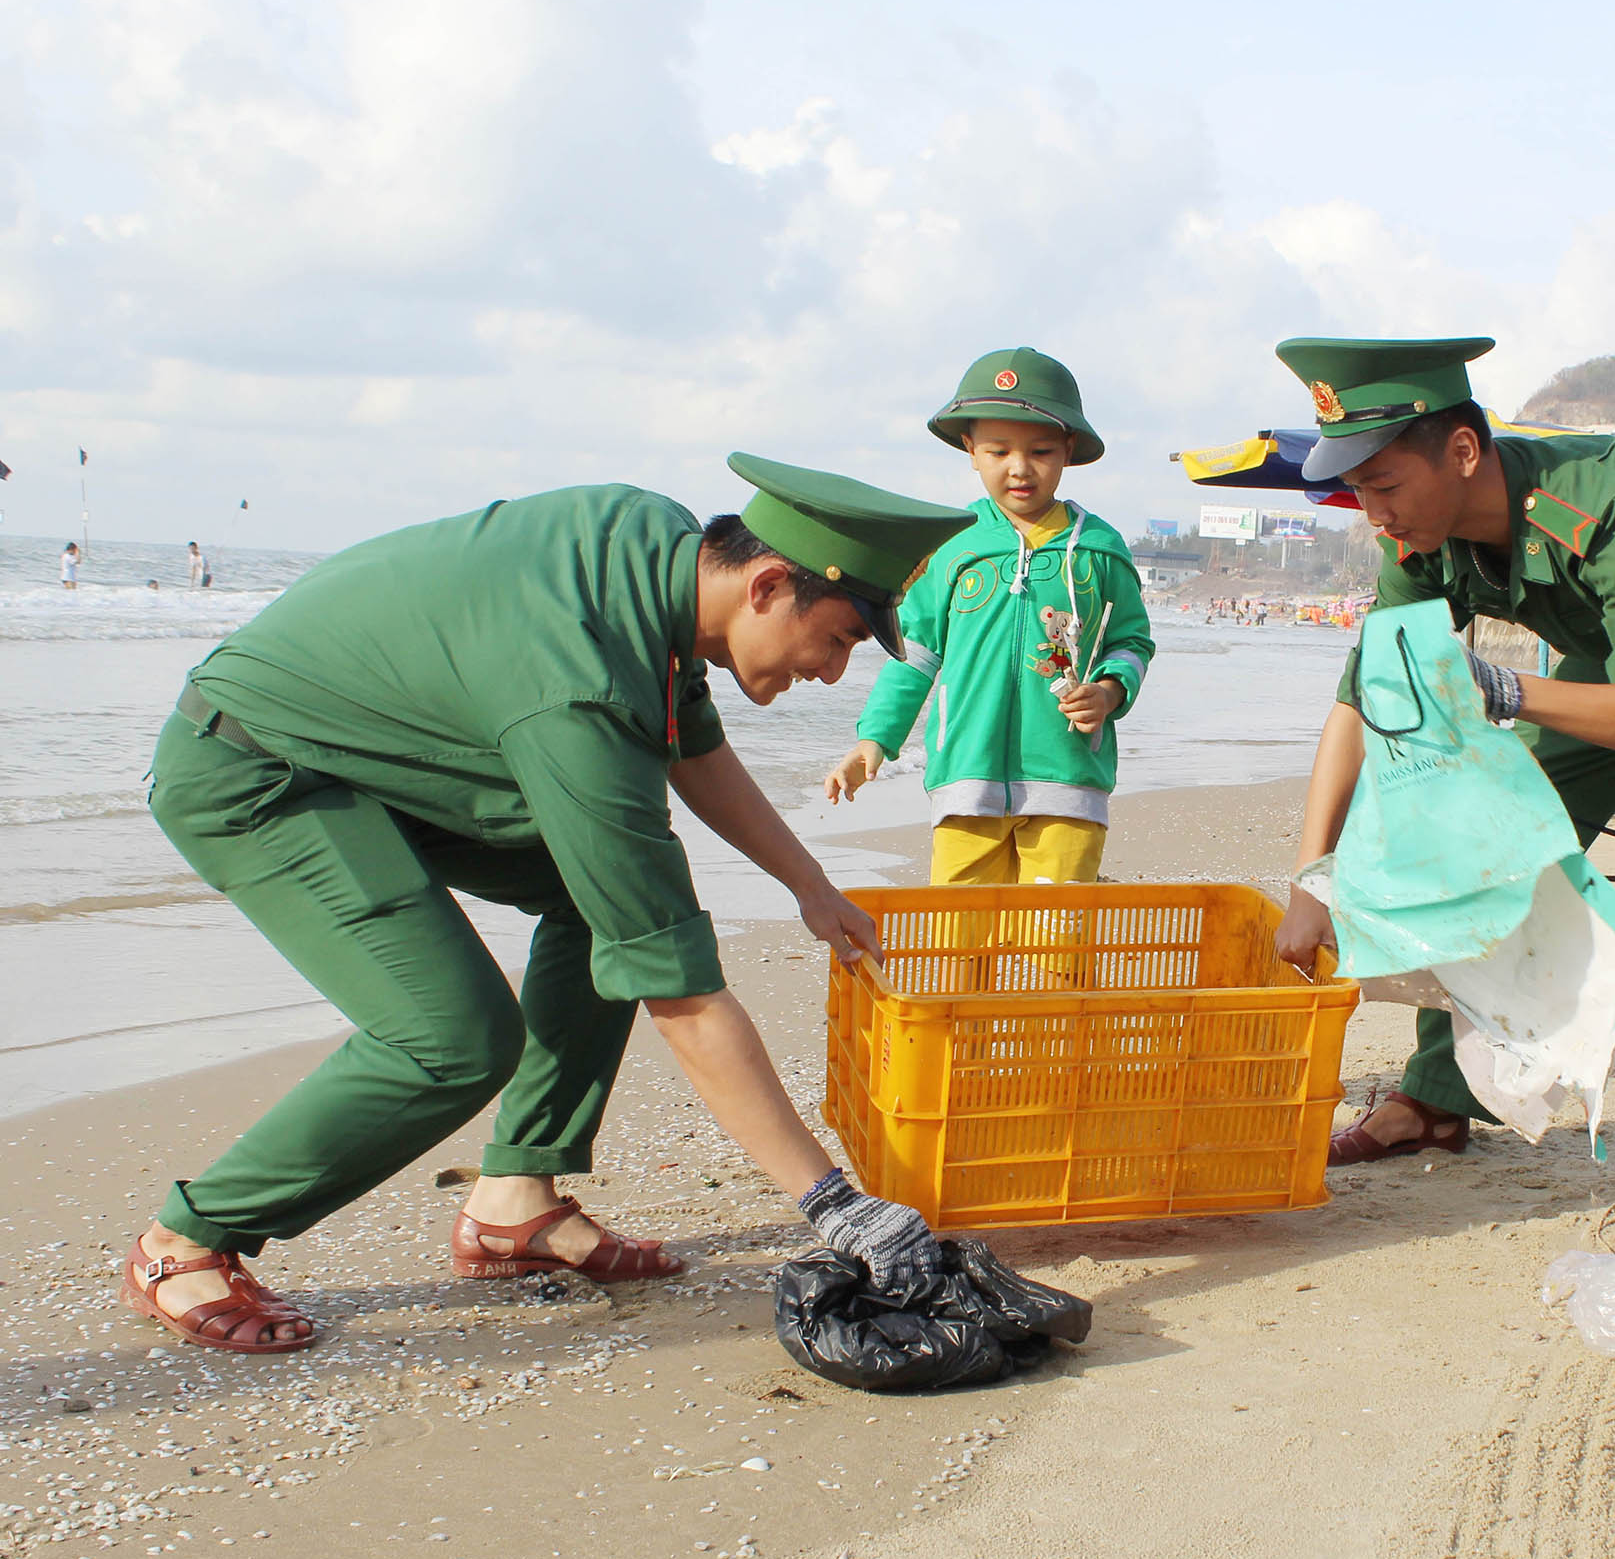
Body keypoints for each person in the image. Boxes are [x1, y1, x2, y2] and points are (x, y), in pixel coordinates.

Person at [120, 459, 974, 1354]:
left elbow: (692, 741)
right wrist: (833, 1205)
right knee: (451, 1038)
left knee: (597, 893)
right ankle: (185, 1240)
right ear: (766, 585)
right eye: (837, 640)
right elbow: (679, 994)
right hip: (256, 769)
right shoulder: (583, 685)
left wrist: (810, 884)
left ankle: (513, 1201)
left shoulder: (660, 553)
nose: (836, 673)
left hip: (380, 755)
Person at [1270, 336, 1615, 1230]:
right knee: (1482, 833)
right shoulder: (1419, 534)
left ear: (1461, 452)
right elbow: (1361, 704)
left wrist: (1507, 689)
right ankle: (1435, 1099)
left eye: (1383, 486)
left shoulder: (1607, 503)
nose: (1372, 515)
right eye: (1358, 492)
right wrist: (1311, 880)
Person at [824, 348, 1154, 887]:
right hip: (965, 776)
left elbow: (1131, 643)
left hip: (1069, 777)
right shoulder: (952, 545)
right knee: (959, 946)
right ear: (969, 448)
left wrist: (1111, 692)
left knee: (1055, 954)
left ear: (1068, 450)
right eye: (998, 450)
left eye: (1041, 450)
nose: (1019, 468)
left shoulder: (1099, 548)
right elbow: (915, 653)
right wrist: (874, 741)